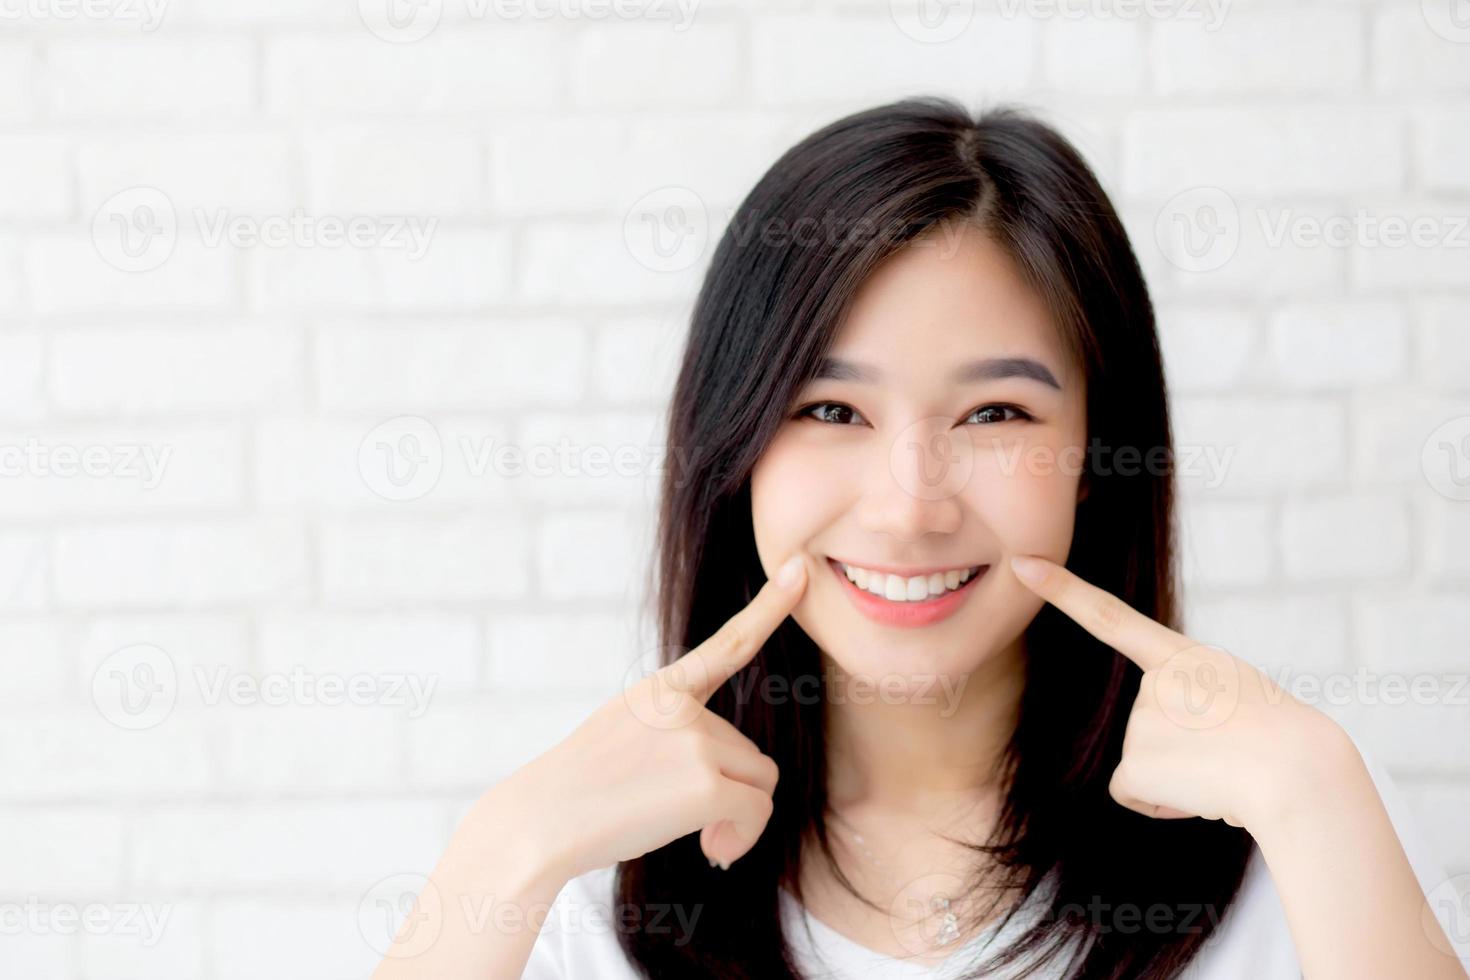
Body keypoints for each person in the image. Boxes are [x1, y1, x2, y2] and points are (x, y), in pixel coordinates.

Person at [372, 96, 1470, 979]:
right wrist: (501, 851)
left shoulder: (1300, 831)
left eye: (996, 414)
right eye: (831, 411)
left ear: (1099, 455)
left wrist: (1323, 799)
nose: (910, 504)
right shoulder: (583, 885)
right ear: (736, 446)